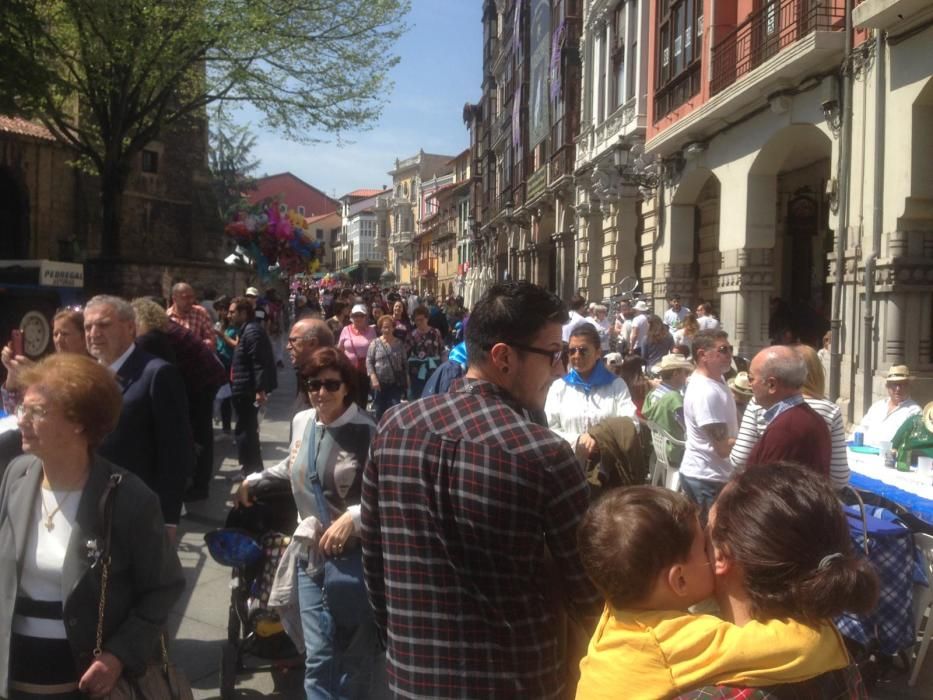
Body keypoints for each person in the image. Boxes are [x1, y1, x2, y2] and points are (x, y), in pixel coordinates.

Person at [361, 281, 601, 699]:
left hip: (413, 680)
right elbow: (588, 593)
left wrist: (403, 652)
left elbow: (374, 566)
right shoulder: (543, 455)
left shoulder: (393, 429)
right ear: (504, 358)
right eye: (552, 355)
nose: (560, 369)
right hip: (518, 684)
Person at [575, 471, 877, 699]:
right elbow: (803, 645)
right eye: (703, 543)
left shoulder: (617, 616)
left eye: (709, 538)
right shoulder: (837, 669)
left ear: (723, 557)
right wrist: (824, 630)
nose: (708, 549)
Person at [0, 354, 184, 698]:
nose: (22, 420)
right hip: (13, 674)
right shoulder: (17, 475)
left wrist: (118, 655)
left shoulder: (129, 497)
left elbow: (163, 588)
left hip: (83, 682)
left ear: (79, 423)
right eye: (23, 409)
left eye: (37, 412)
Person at [237, 348, 382, 698]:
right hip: (311, 558)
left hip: (356, 562)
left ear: (347, 387)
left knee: (354, 657)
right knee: (318, 656)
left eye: (331, 385)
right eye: (312, 384)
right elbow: (294, 466)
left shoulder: (369, 431)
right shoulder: (303, 421)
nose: (320, 392)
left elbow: (390, 494)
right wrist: (254, 479)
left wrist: (354, 517)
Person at [84, 295, 193, 533]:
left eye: (103, 325)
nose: (94, 333)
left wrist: (168, 518)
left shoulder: (157, 374)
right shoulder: (85, 375)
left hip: (136, 508)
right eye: (88, 327)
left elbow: (175, 451)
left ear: (130, 328)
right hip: (88, 501)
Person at [132, 298, 229, 501]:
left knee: (200, 433)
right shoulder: (167, 328)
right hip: (206, 378)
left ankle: (199, 485)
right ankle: (198, 481)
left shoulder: (153, 336)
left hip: (202, 382)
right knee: (202, 431)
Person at [728, 345, 832, 478]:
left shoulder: (785, 430)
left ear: (771, 384)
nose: (749, 385)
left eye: (751, 378)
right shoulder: (812, 418)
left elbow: (764, 489)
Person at [545, 324, 637, 463]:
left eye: (583, 351)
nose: (576, 356)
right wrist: (578, 442)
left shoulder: (616, 385)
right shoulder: (559, 387)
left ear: (598, 352)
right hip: (569, 464)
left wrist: (598, 438)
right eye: (572, 351)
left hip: (609, 465)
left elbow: (631, 423)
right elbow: (549, 427)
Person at [679, 330, 738, 519]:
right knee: (710, 539)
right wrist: (755, 440)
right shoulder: (706, 392)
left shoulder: (716, 380)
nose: (729, 354)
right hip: (707, 480)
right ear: (702, 354)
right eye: (723, 350)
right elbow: (722, 448)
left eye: (730, 349)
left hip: (711, 476)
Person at [228, 296, 278, 477]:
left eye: (232, 312)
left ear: (243, 312)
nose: (229, 315)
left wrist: (259, 390)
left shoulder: (252, 332)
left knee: (246, 431)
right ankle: (252, 468)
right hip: (244, 388)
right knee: (247, 430)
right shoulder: (247, 330)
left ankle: (251, 469)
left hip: (247, 390)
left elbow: (259, 362)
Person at [854, 365, 922, 448]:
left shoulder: (914, 411)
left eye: (902, 384)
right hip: (863, 453)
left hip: (890, 457)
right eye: (894, 384)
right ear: (888, 386)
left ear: (908, 386)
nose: (898, 388)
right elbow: (862, 428)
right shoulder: (877, 406)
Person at [643, 354, 693, 465]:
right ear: (676, 373)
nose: (687, 377)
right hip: (676, 452)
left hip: (658, 449)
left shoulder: (652, 394)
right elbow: (689, 428)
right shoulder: (674, 399)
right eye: (685, 373)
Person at [366, 315, 408, 420]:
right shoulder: (374, 343)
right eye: (384, 327)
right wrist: (373, 377)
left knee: (394, 410)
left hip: (395, 383)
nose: (387, 329)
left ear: (394, 328)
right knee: (379, 411)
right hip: (379, 384)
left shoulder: (399, 343)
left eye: (389, 327)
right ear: (380, 328)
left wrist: (407, 377)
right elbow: (369, 361)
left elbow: (405, 362)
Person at [337, 304, 376, 407]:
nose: (358, 318)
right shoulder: (346, 330)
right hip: (349, 371)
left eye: (361, 315)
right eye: (355, 315)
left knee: (363, 399)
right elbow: (340, 350)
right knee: (349, 398)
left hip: (365, 371)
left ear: (366, 317)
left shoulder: (372, 330)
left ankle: (360, 419)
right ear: (351, 317)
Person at [406, 305, 444, 400]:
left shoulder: (436, 333)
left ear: (427, 319)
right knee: (416, 399)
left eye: (421, 319)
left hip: (433, 371)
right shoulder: (411, 335)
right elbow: (406, 355)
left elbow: (442, 351)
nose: (419, 322)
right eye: (416, 320)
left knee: (432, 399)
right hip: (416, 374)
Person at [167, 281, 214, 348]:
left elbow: (211, 338)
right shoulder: (167, 317)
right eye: (185, 298)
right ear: (174, 299)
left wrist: (196, 345)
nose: (190, 301)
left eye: (192, 297)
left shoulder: (200, 312)